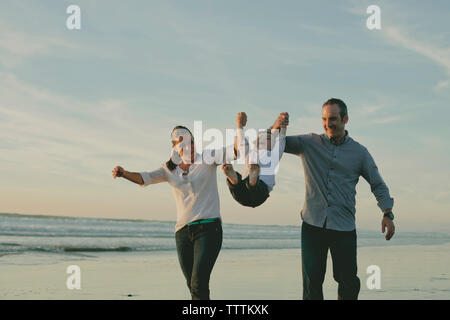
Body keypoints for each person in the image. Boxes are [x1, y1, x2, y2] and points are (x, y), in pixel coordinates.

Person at [280, 98, 395, 300]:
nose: (328, 124)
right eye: (324, 119)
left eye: (333, 119)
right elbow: (275, 143)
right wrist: (276, 127)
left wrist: (387, 213)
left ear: (345, 119)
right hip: (312, 225)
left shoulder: (360, 153)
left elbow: (377, 184)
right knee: (312, 283)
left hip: (343, 228)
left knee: (348, 282)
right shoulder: (308, 143)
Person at [112, 125, 236, 300]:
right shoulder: (169, 169)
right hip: (183, 234)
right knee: (193, 286)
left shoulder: (208, 157)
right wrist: (124, 173)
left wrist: (240, 128)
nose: (190, 146)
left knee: (198, 282)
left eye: (192, 142)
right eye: (184, 143)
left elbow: (235, 151)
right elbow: (144, 178)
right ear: (176, 148)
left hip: (209, 229)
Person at [222, 112, 289, 207]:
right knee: (246, 185)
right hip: (259, 193)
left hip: (245, 190)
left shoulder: (251, 152)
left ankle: (236, 180)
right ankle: (248, 180)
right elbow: (281, 138)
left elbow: (241, 138)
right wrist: (283, 126)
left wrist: (239, 124)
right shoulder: (272, 154)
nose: (263, 141)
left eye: (267, 139)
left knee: (237, 187)